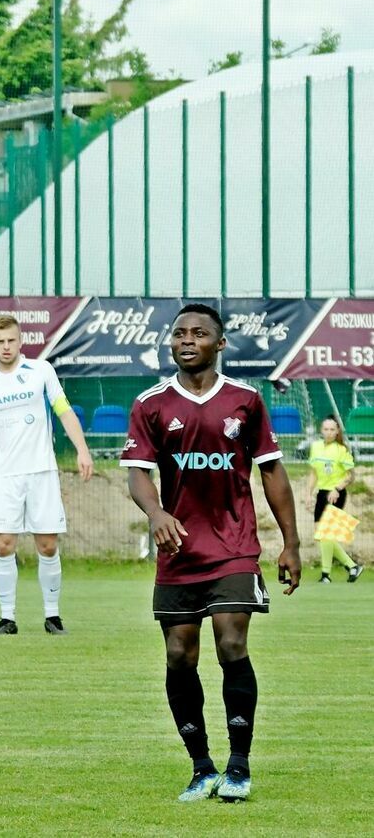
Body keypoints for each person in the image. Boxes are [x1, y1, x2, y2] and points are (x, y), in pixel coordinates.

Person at [121, 303, 301, 804]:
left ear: (219, 345)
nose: (186, 339)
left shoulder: (246, 401)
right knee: (180, 654)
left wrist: (291, 542)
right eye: (178, 333)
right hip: (178, 552)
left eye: (198, 333)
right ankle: (201, 767)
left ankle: (239, 766)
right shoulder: (151, 404)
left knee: (231, 643)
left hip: (234, 548)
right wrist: (157, 513)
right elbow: (137, 472)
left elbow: (271, 472)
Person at [0, 314, 93, 635]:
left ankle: (53, 615)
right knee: (4, 544)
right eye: (0, 342)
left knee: (47, 545)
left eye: (11, 341)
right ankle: (7, 618)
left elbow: (63, 410)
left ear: (21, 341)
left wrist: (82, 450)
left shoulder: (41, 371)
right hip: (6, 476)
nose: (6, 347)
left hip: (42, 471)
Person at [305, 416, 363, 583]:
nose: (329, 432)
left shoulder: (341, 450)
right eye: (326, 429)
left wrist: (338, 488)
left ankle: (325, 575)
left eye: (332, 429)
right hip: (322, 493)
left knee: (326, 533)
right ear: (321, 430)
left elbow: (351, 476)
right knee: (321, 534)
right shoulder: (315, 447)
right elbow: (313, 473)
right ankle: (352, 566)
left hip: (335, 494)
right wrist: (308, 494)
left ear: (337, 431)